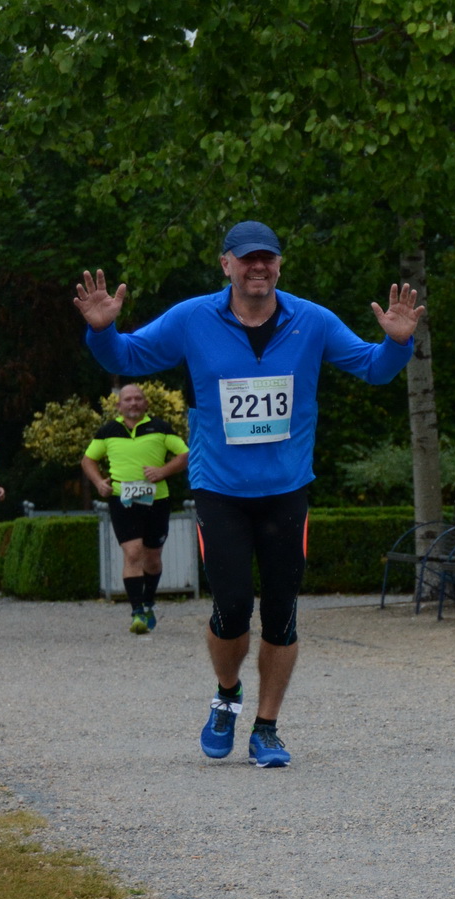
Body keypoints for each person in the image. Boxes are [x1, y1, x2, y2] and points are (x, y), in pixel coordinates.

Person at [73, 220, 422, 767]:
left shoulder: (312, 320)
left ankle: (266, 728)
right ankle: (227, 693)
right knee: (232, 606)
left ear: (279, 265)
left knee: (281, 613)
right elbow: (127, 359)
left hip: (287, 490)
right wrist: (102, 332)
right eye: (247, 259)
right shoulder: (193, 318)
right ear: (226, 265)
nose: (258, 267)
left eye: (268, 258)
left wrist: (398, 342)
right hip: (221, 491)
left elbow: (374, 369)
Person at [82, 383, 190, 634]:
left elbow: (185, 455)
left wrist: (163, 471)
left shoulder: (161, 428)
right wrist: (99, 482)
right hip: (122, 499)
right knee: (132, 553)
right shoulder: (108, 431)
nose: (133, 403)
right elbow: (88, 459)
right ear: (119, 406)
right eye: (127, 399)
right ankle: (137, 612)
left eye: (138, 399)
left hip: (157, 500)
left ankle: (149, 601)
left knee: (152, 558)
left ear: (146, 404)